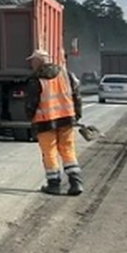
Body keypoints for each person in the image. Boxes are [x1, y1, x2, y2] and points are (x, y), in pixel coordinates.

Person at [24, 48, 84, 196]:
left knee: (49, 152)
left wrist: (30, 118)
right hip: (66, 118)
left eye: (32, 61)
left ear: (38, 62)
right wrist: (77, 114)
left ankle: (54, 185)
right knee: (68, 150)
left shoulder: (35, 79)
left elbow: (31, 103)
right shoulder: (65, 74)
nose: (31, 64)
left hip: (45, 122)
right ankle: (76, 183)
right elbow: (77, 94)